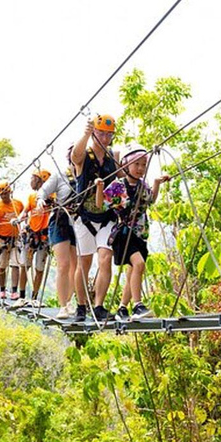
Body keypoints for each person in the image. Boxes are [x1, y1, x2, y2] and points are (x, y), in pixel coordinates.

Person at [96, 147, 169, 320]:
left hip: (140, 234)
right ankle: (138, 305)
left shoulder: (142, 185)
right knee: (139, 264)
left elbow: (150, 200)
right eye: (136, 164)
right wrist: (99, 187)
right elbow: (101, 204)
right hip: (123, 234)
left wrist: (157, 184)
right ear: (126, 165)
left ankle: (122, 308)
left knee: (133, 271)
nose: (140, 168)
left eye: (143, 165)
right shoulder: (118, 186)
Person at [70, 114, 121, 322]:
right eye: (101, 133)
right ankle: (81, 306)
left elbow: (121, 178)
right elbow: (75, 156)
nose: (105, 138)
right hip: (86, 217)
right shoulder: (85, 156)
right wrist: (86, 134)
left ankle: (98, 305)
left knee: (105, 258)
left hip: (107, 217)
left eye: (109, 134)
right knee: (84, 263)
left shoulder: (112, 159)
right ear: (94, 134)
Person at [38, 148, 78, 319]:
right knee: (63, 265)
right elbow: (43, 191)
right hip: (61, 221)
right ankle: (63, 305)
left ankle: (69, 301)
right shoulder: (60, 175)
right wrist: (40, 200)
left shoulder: (87, 176)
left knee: (76, 266)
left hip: (79, 223)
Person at [15, 169, 51, 308]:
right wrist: (18, 219)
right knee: (25, 265)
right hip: (31, 234)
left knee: (39, 267)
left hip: (44, 235)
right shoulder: (31, 197)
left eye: (33, 178)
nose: (31, 181)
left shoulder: (51, 199)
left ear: (41, 180)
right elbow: (25, 212)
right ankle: (22, 296)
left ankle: (35, 297)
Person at [0, 181, 24, 300]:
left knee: (15, 264)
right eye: (2, 194)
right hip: (2, 239)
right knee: (2, 266)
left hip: (15, 238)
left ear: (10, 193)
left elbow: (23, 216)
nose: (4, 196)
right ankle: (2, 290)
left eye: (6, 193)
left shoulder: (18, 204)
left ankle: (14, 291)